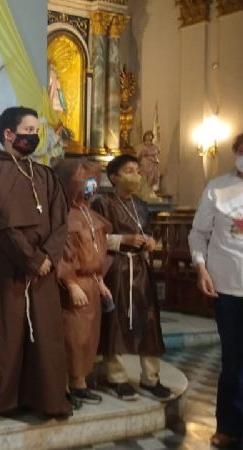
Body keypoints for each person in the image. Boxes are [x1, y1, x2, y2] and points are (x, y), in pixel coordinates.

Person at [0, 106, 71, 427]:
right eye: (28, 130)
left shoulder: (43, 174)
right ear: (9, 134)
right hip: (6, 268)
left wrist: (48, 257)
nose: (34, 137)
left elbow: (60, 222)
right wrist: (32, 259)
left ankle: (41, 398)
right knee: (3, 336)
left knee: (45, 334)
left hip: (42, 269)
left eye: (36, 131)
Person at [92, 154, 171, 401]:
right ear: (114, 177)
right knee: (116, 321)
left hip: (139, 269)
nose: (135, 175)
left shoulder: (141, 205)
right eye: (128, 170)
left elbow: (148, 232)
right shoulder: (102, 204)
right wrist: (122, 240)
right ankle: (117, 377)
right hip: (116, 268)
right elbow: (92, 238)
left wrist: (150, 242)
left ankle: (151, 378)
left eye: (137, 170)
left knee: (148, 323)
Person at [188, 133, 243, 449]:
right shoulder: (217, 188)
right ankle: (229, 426)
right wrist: (201, 268)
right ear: (235, 151)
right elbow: (198, 234)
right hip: (228, 287)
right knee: (233, 360)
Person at [53, 159, 113, 407]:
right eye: (84, 182)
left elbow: (98, 251)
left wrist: (99, 280)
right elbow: (62, 255)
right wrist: (70, 283)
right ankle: (64, 386)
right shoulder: (64, 215)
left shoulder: (90, 214)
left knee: (89, 337)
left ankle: (80, 382)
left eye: (93, 182)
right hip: (74, 285)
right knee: (72, 337)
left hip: (91, 283)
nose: (90, 187)